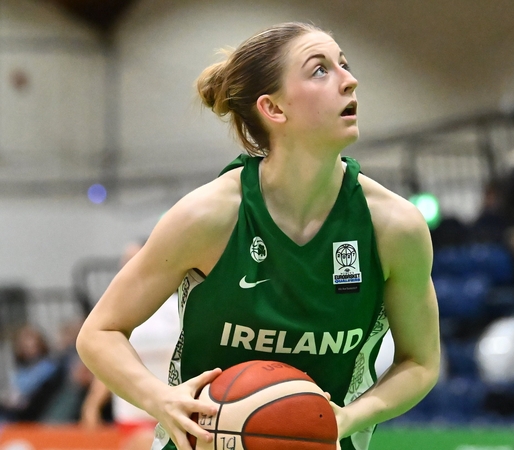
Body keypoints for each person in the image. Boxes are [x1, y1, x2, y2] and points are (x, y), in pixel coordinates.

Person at [77, 22, 440, 450]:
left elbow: (421, 362)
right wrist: (160, 398)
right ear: (273, 108)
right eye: (320, 70)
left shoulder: (393, 226)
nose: (349, 80)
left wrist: (346, 418)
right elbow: (98, 333)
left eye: (344, 64)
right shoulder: (208, 216)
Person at [80, 241, 180, 450]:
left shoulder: (177, 307)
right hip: (131, 414)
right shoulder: (114, 311)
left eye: (133, 259)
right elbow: (110, 357)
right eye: (125, 261)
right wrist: (93, 403)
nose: (127, 265)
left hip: (172, 410)